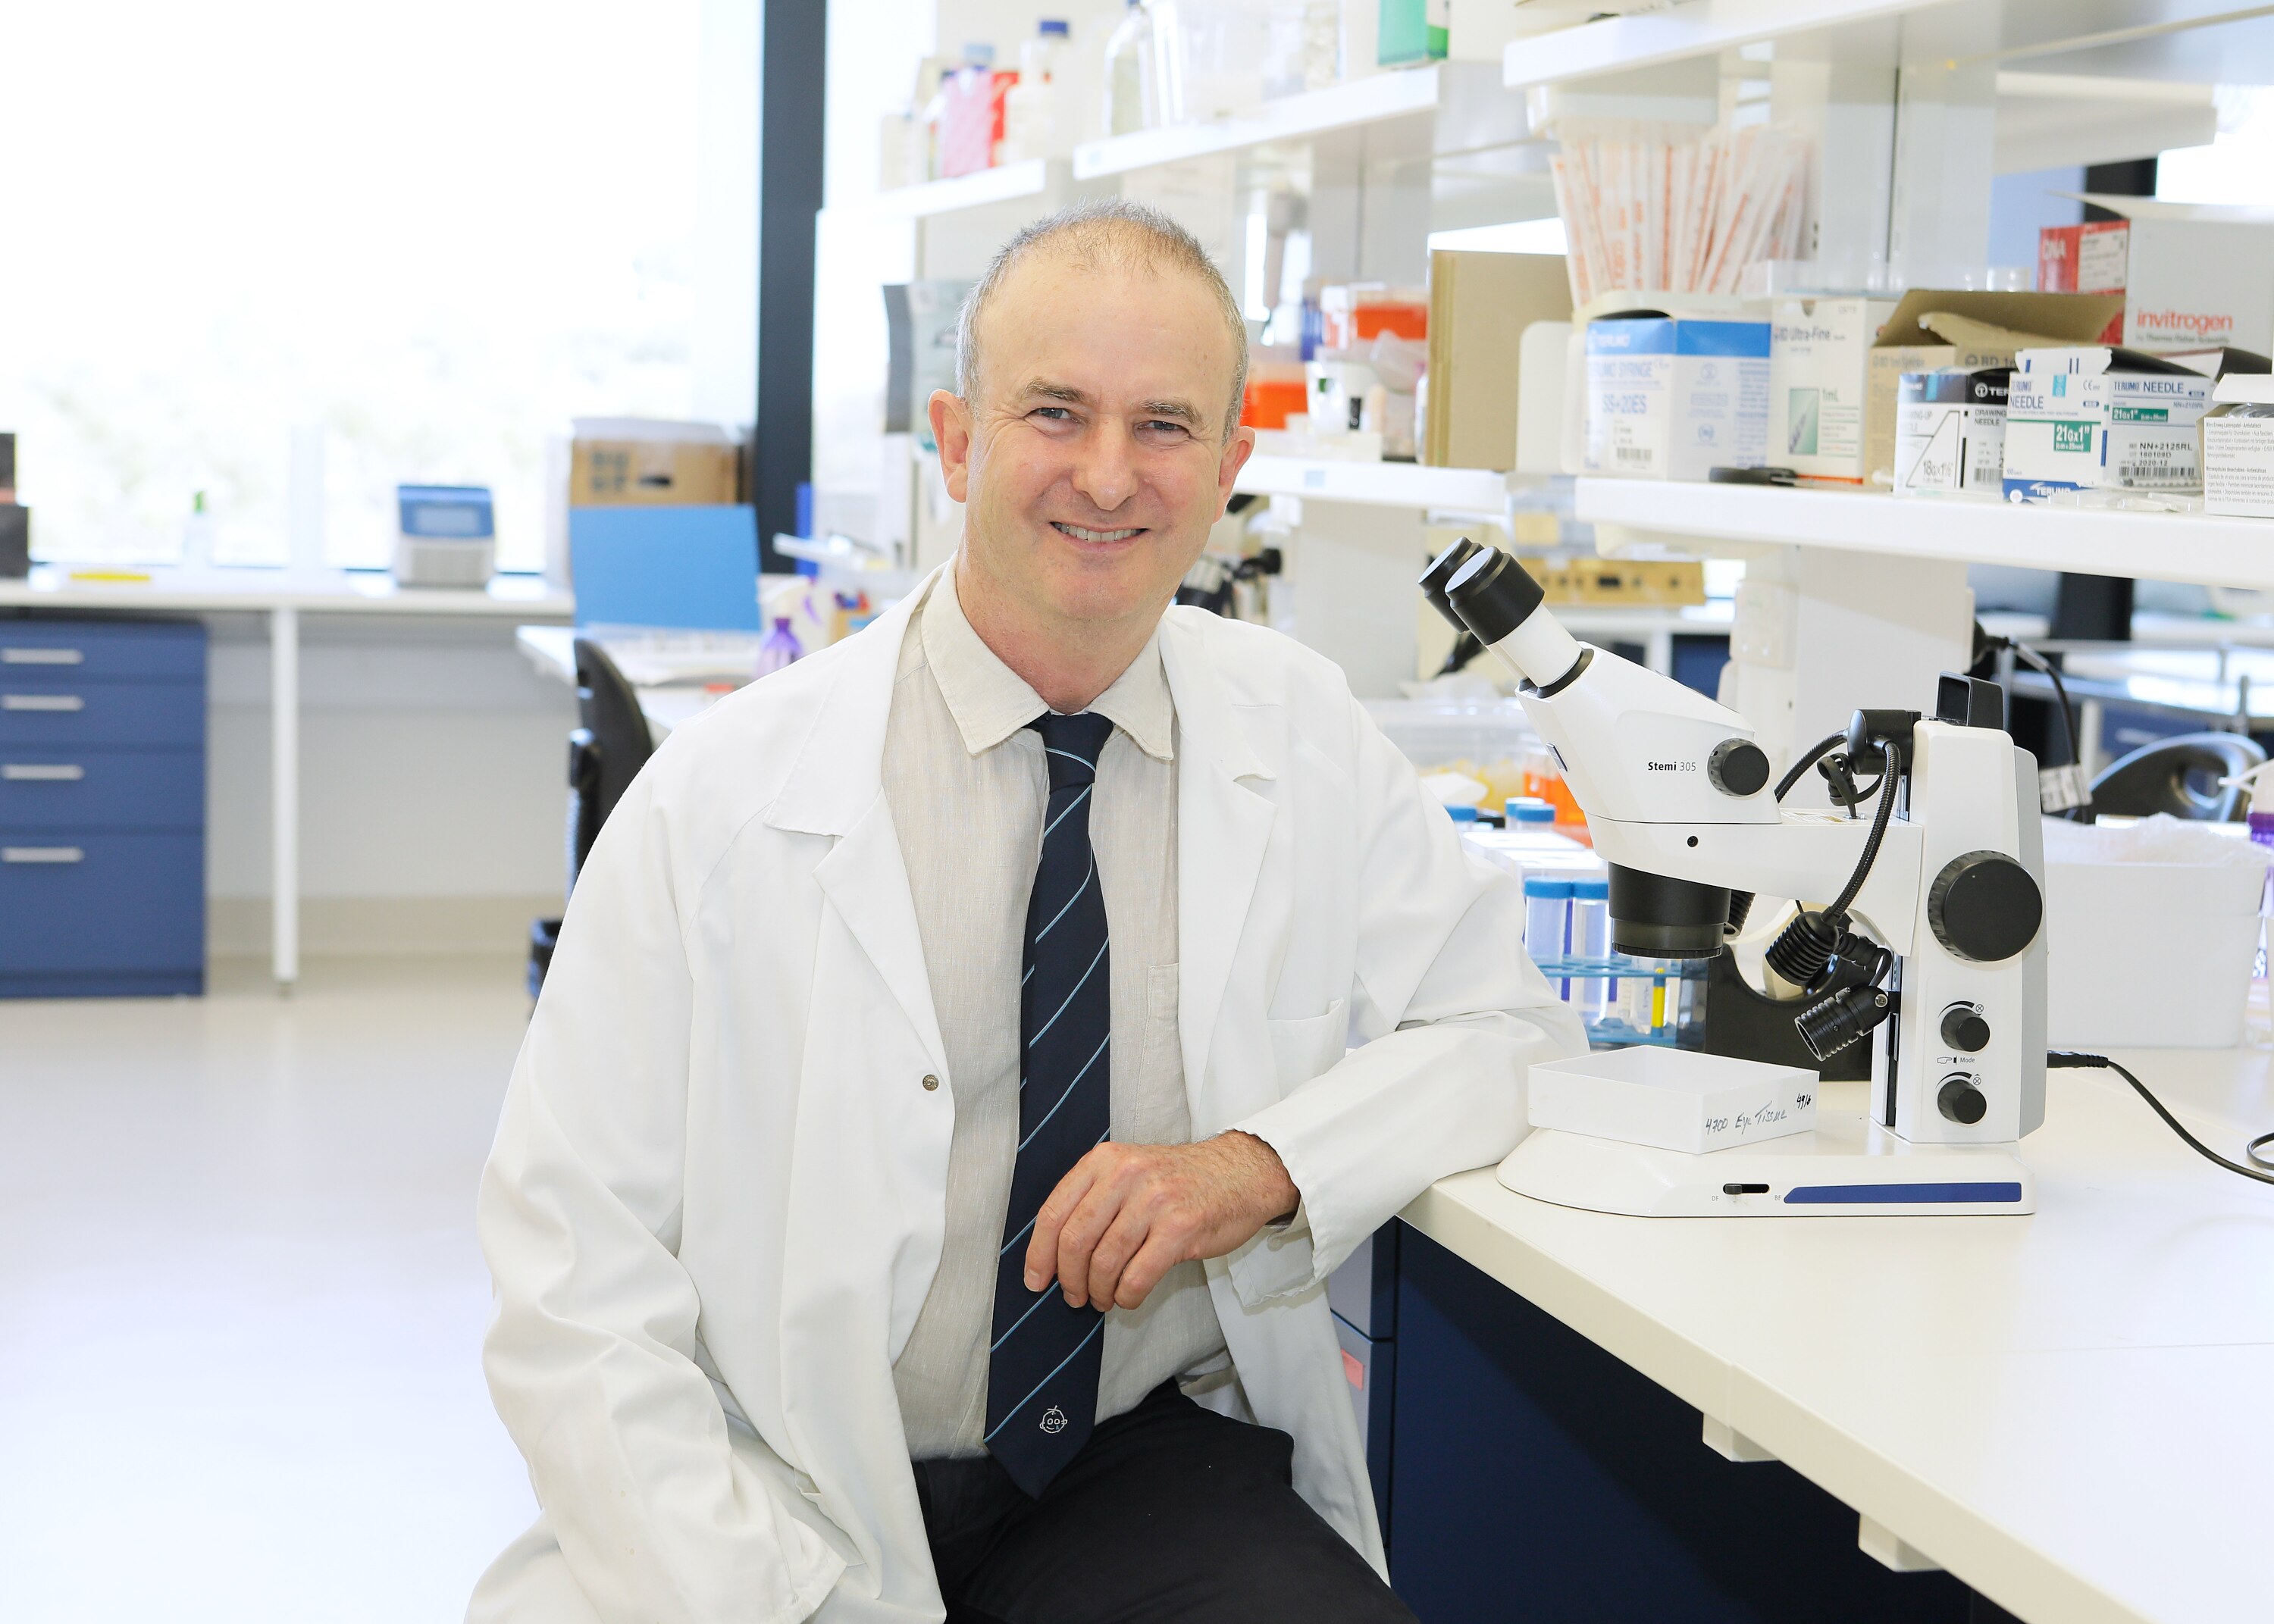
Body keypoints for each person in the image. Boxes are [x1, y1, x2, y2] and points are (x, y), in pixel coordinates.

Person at [471, 199, 1584, 1624]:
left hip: (1129, 1459)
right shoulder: (725, 797)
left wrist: (1259, 1165)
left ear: (1233, 465)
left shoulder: (1297, 733)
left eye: (1166, 426)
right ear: (957, 438)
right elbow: (573, 1273)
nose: (1109, 476)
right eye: (1056, 411)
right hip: (772, 1464)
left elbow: (1504, 1030)